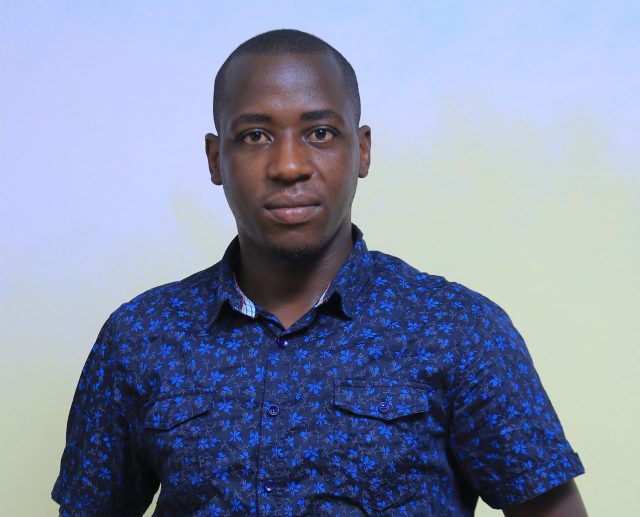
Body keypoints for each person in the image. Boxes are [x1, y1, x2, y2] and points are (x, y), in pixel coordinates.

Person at [52, 29, 586, 516]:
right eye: (255, 136)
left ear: (363, 151)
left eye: (321, 133)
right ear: (215, 159)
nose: (289, 166)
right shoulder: (139, 337)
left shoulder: (459, 329)